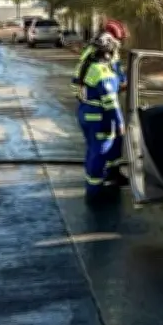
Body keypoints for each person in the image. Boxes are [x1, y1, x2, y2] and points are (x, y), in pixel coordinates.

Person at [77, 33, 126, 202]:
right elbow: (110, 103)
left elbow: (76, 85)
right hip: (99, 117)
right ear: (108, 53)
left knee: (93, 150)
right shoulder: (104, 72)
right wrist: (119, 123)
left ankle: (94, 185)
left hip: (86, 112)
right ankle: (94, 191)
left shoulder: (90, 66)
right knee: (99, 153)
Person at [71, 18, 129, 99]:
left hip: (84, 87)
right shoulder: (105, 50)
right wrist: (123, 82)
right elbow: (115, 69)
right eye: (119, 40)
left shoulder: (95, 46)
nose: (120, 43)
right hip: (91, 89)